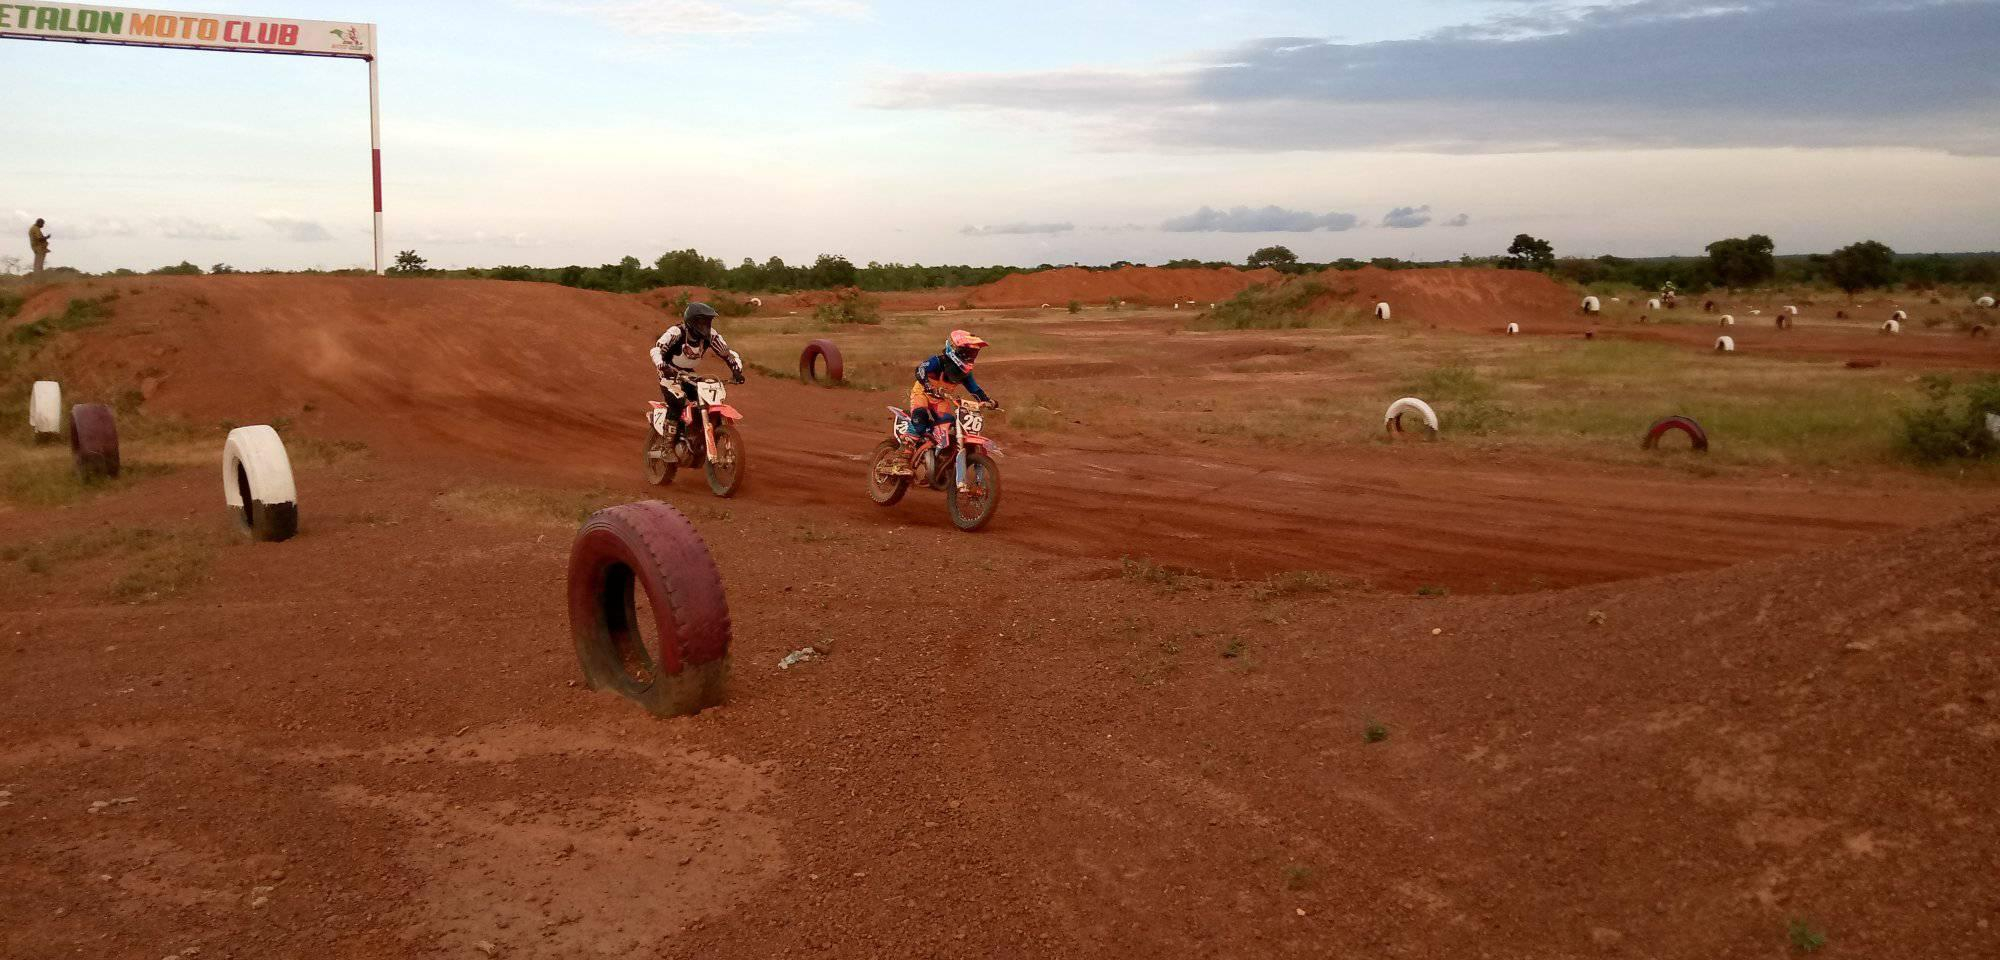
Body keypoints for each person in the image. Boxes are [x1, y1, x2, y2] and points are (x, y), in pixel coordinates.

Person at [649, 302, 745, 439]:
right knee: (677, 401)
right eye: (702, 322)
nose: (706, 326)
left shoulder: (711, 336)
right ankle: (667, 444)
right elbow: (656, 349)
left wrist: (736, 371)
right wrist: (661, 364)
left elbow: (727, 353)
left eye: (708, 322)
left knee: (705, 400)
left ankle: (696, 433)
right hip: (669, 372)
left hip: (688, 373)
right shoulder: (677, 332)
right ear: (692, 321)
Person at [904, 329, 998, 445]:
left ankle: (936, 449)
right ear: (954, 348)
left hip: (940, 399)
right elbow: (920, 369)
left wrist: (987, 401)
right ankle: (905, 452)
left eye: (972, 353)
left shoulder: (964, 373)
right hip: (922, 393)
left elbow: (975, 389)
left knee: (948, 424)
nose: (969, 356)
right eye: (966, 352)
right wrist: (928, 385)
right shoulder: (939, 361)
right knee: (920, 416)